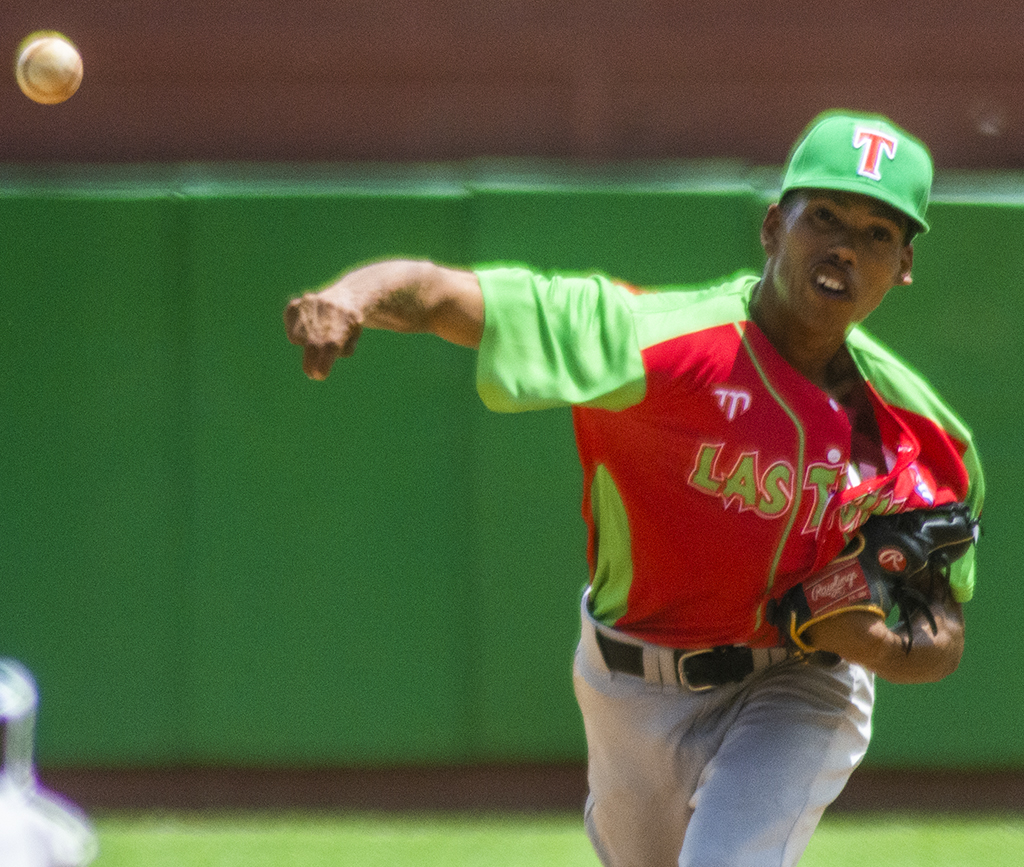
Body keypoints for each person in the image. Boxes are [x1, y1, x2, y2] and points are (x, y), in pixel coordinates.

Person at [283, 110, 984, 867]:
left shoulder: (924, 433)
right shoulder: (653, 341)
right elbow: (450, 295)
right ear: (774, 226)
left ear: (905, 263)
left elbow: (941, 631)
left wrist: (880, 644)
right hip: (630, 683)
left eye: (878, 233)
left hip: (798, 684)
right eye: (825, 216)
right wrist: (352, 296)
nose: (845, 245)